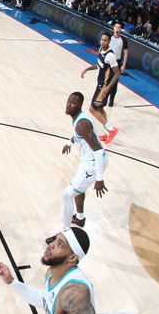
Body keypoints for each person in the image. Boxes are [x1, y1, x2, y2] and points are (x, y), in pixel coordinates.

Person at [0, 227, 95, 313]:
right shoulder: (51, 272)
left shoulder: (75, 292)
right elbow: (46, 300)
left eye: (60, 244)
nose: (50, 245)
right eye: (55, 240)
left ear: (72, 258)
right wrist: (11, 281)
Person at [60, 92, 109, 228]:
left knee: (66, 195)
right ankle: (80, 218)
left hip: (93, 164)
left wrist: (99, 178)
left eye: (73, 103)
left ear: (80, 105)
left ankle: (66, 232)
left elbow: (98, 150)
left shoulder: (82, 124)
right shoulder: (79, 118)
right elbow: (77, 134)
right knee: (78, 190)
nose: (69, 105)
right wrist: (69, 143)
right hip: (89, 161)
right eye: (68, 101)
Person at [81, 32, 119, 144]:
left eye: (105, 40)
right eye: (102, 39)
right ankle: (107, 132)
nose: (103, 42)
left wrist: (107, 89)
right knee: (100, 109)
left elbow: (117, 74)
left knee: (92, 109)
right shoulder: (101, 50)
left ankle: (112, 130)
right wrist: (88, 68)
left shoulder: (110, 56)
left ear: (109, 42)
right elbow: (99, 65)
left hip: (104, 87)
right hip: (100, 85)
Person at [107, 23, 129, 107]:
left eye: (119, 27)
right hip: (108, 61)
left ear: (121, 29)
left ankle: (111, 99)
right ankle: (104, 96)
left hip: (117, 62)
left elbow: (126, 53)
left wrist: (124, 65)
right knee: (106, 80)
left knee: (114, 82)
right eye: (116, 27)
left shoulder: (123, 40)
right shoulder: (110, 38)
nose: (117, 29)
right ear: (113, 28)